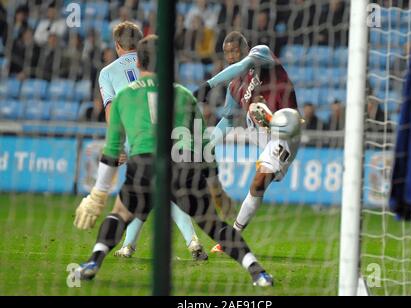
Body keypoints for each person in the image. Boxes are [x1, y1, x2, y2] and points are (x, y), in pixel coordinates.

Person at [74, 35, 273, 287]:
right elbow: (203, 146)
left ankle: (93, 262)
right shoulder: (183, 95)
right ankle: (258, 273)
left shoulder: (124, 96)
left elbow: (112, 149)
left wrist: (98, 194)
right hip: (184, 166)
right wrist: (217, 190)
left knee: (120, 214)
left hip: (144, 165)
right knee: (214, 226)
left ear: (138, 64)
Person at [75, 21, 207, 261]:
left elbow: (111, 111)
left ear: (117, 45)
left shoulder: (107, 72)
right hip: (167, 133)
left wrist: (119, 146)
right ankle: (185, 242)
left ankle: (123, 248)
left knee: (140, 192)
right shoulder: (153, 63)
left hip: (137, 137)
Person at [194, 31, 301, 252]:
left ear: (245, 48)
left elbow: (243, 66)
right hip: (263, 138)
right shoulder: (234, 87)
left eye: (235, 50)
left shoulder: (260, 53)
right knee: (258, 186)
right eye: (227, 53)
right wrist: (208, 146)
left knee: (257, 183)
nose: (232, 55)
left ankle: (231, 238)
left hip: (285, 130)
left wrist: (209, 84)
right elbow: (229, 119)